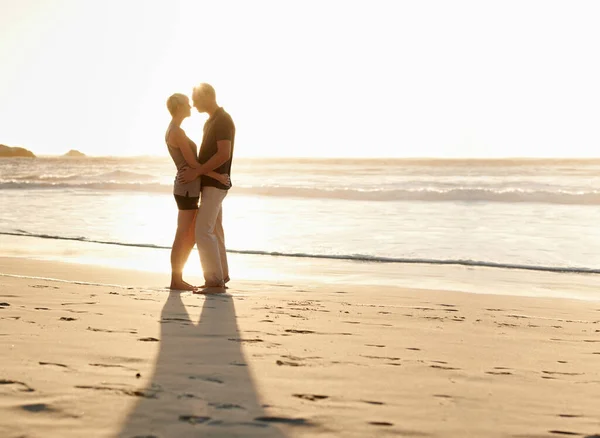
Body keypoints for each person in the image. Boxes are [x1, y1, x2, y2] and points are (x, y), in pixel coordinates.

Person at [165, 93, 230, 291]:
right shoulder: (177, 132)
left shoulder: (176, 130)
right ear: (178, 108)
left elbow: (193, 165)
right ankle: (176, 280)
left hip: (188, 186)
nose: (191, 106)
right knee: (183, 234)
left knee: (190, 234)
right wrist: (218, 176)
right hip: (186, 188)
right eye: (187, 104)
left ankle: (180, 278)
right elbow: (192, 164)